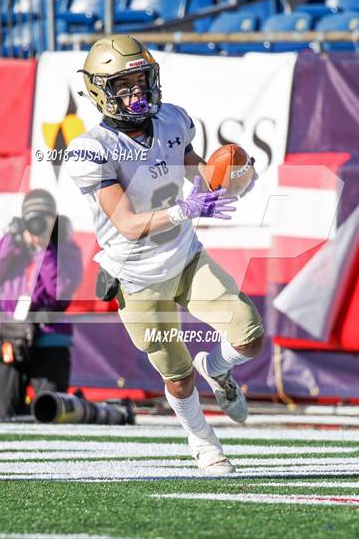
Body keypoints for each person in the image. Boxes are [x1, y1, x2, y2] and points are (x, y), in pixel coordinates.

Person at [67, 35, 264, 475]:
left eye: (142, 80)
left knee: (250, 336)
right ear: (101, 92)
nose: (137, 92)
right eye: (124, 85)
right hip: (137, 276)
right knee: (176, 377)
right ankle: (203, 443)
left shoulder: (173, 120)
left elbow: (197, 170)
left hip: (186, 258)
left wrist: (232, 178)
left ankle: (216, 366)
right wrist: (185, 207)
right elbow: (129, 224)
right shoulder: (91, 148)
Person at [0, 189, 83, 420]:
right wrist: (9, 241)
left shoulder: (66, 248)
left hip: (50, 334)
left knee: (49, 409)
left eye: (44, 218)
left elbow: (60, 292)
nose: (37, 225)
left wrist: (45, 249)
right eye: (33, 219)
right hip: (12, 335)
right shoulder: (14, 247)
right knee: (4, 410)